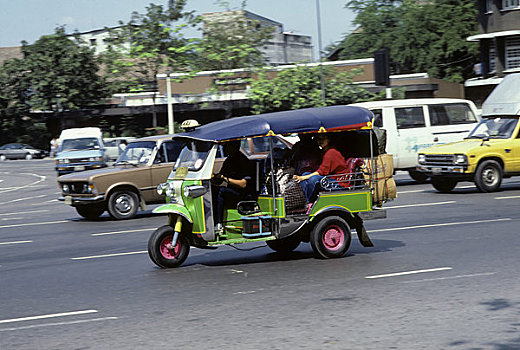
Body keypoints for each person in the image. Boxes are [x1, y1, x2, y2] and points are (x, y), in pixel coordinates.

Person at [212, 140, 255, 233]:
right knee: (211, 190)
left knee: (221, 191)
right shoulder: (229, 160)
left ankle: (218, 224)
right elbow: (220, 179)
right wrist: (214, 178)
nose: (223, 148)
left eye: (226, 145)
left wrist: (225, 179)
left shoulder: (242, 161)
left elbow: (243, 184)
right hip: (231, 192)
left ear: (234, 146)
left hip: (243, 195)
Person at [293, 133, 349, 202]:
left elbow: (321, 172)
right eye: (318, 139)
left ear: (328, 140)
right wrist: (303, 177)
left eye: (323, 139)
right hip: (330, 178)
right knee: (305, 174)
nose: (320, 141)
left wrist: (302, 178)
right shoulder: (324, 151)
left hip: (339, 182)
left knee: (313, 179)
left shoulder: (331, 152)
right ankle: (305, 198)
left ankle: (309, 202)